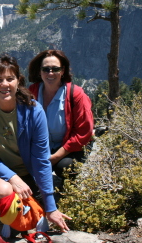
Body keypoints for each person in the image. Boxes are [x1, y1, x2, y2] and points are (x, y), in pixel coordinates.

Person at [0, 54, 71, 234]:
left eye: (10, 79)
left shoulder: (33, 111)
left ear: (18, 81)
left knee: (36, 212)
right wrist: (13, 177)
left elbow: (41, 160)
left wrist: (51, 206)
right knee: (3, 189)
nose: (4, 84)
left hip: (29, 171)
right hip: (0, 171)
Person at [28, 50, 94, 180]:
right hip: (43, 146)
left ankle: (67, 193)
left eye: (55, 69)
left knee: (65, 167)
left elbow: (83, 132)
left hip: (72, 148)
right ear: (40, 71)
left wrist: (55, 158)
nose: (50, 73)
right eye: (46, 69)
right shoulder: (32, 92)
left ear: (63, 71)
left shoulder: (76, 94)